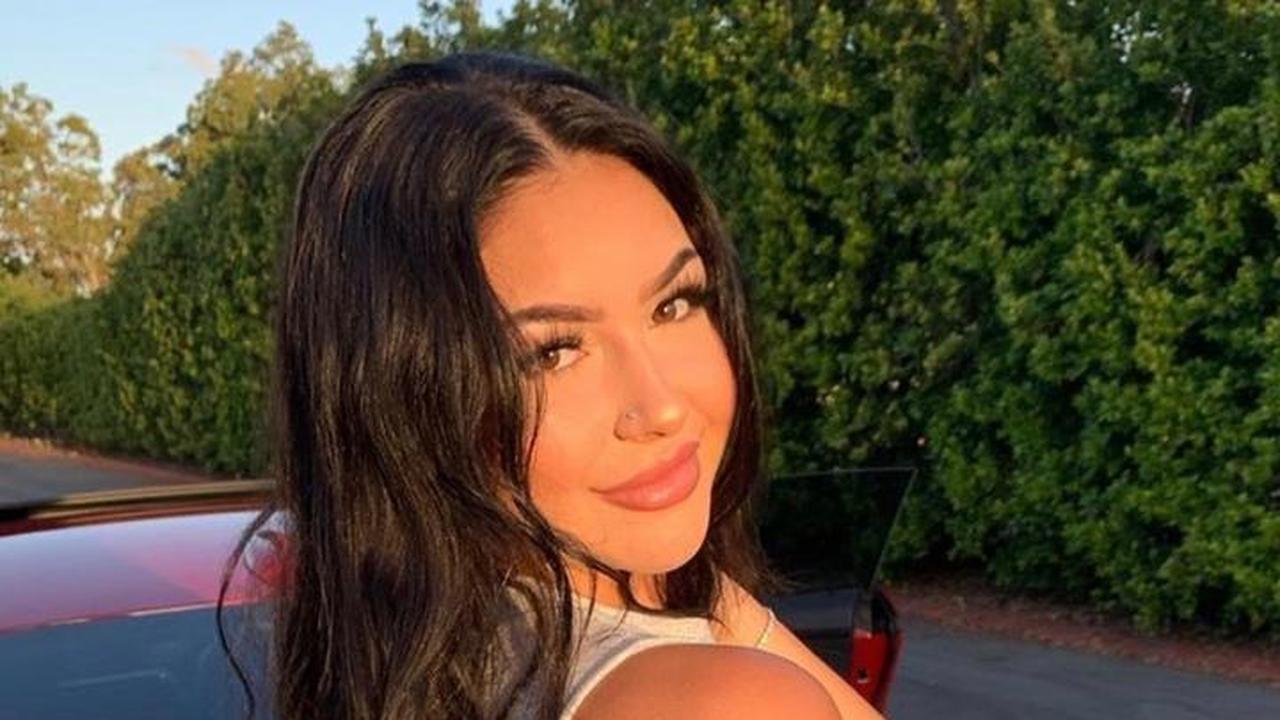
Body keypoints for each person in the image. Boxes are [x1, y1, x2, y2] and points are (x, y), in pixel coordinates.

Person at [221, 51, 885, 720]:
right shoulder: (724, 703)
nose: (661, 406)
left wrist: (716, 601)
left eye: (674, 304)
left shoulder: (430, 652)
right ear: (411, 402)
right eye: (554, 352)